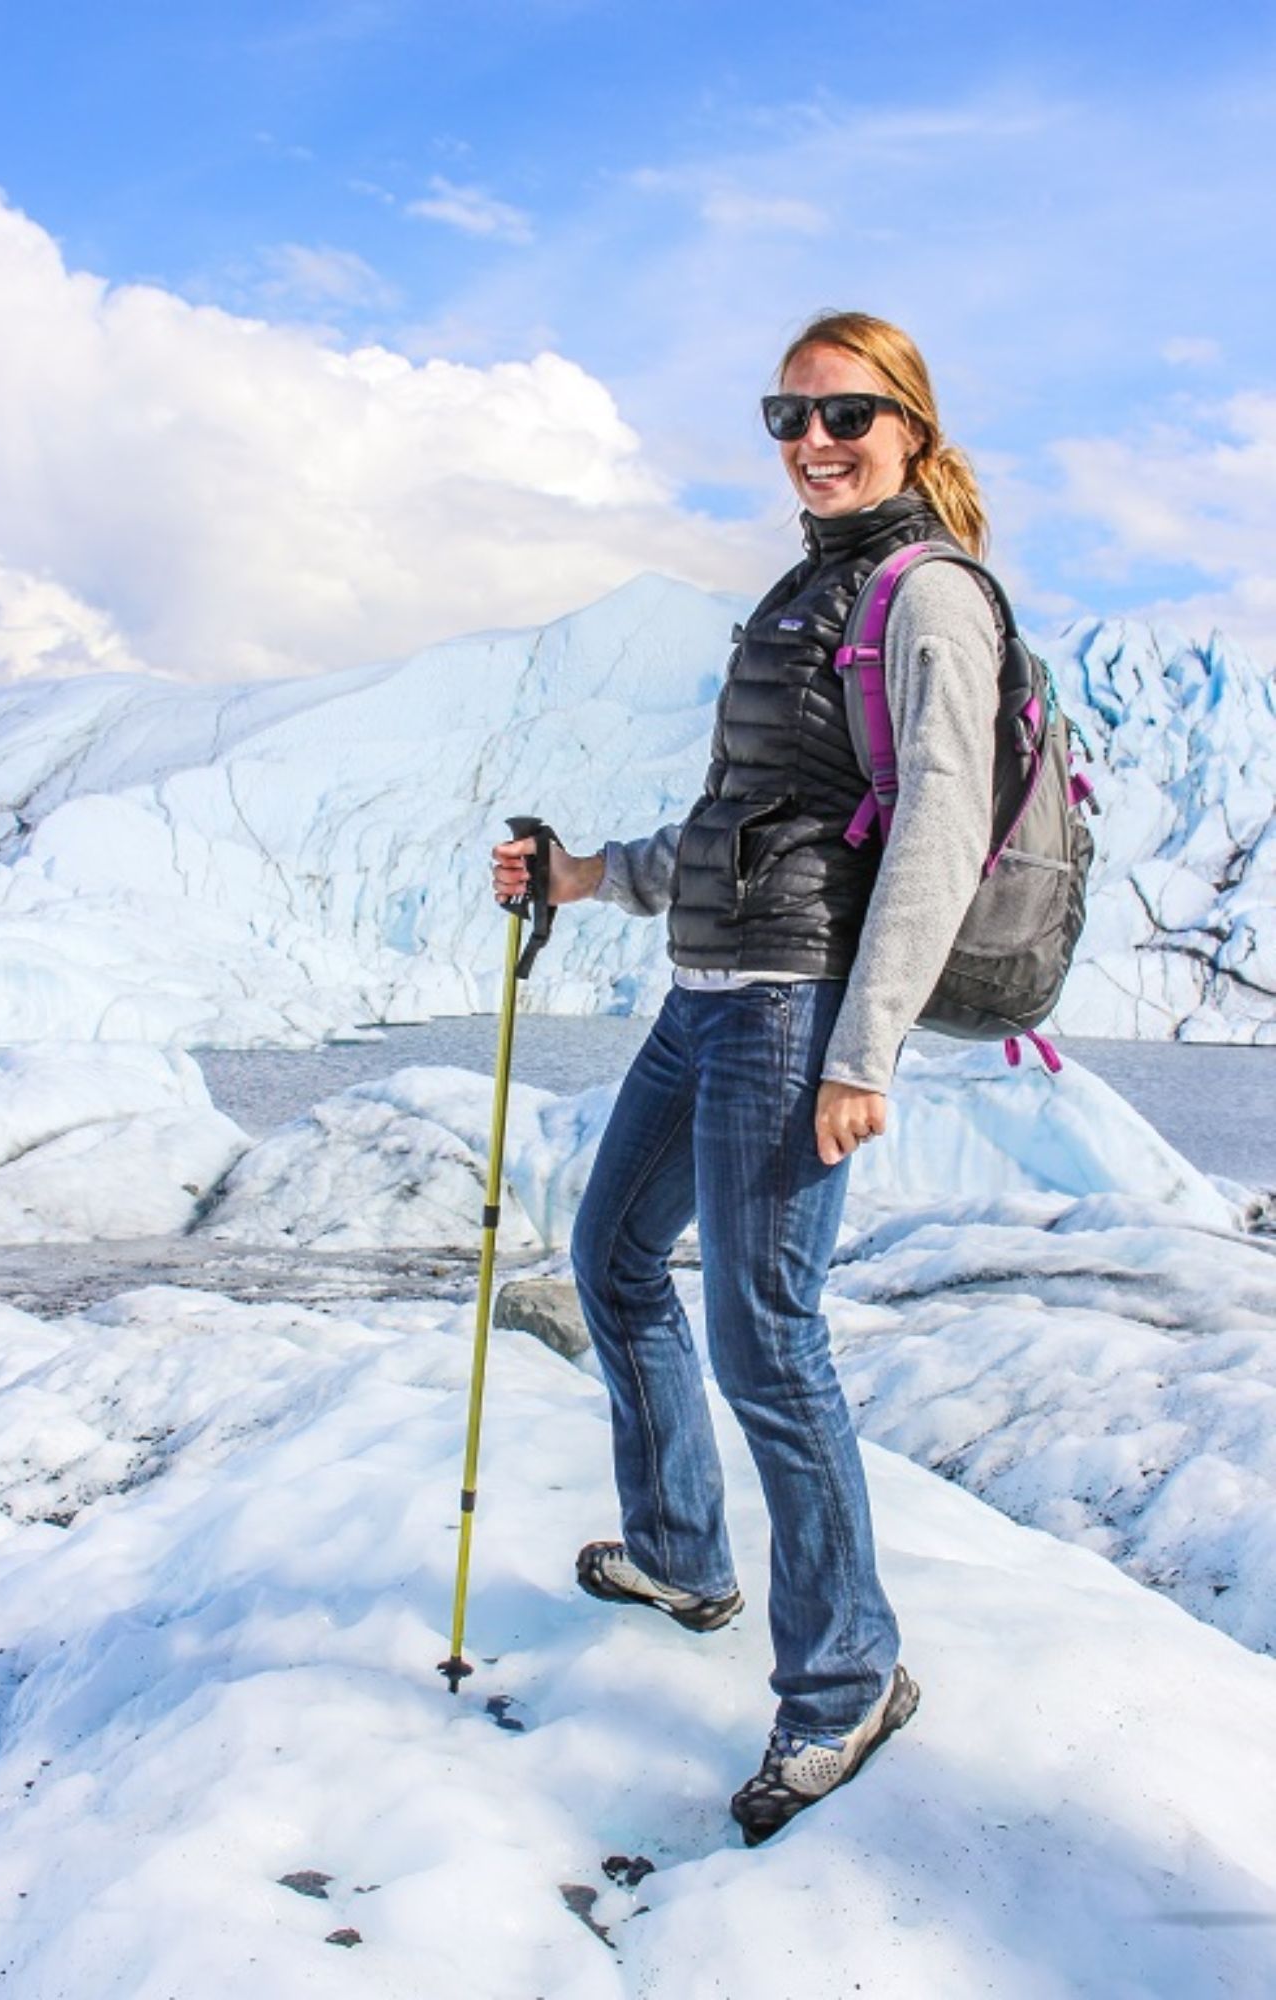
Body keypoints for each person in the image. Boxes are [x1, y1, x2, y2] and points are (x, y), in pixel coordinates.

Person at [490, 310, 1001, 1845]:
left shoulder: (928, 599)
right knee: (613, 1256)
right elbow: (742, 822)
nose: (811, 439)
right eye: (785, 415)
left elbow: (935, 834)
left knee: (767, 1340)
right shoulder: (806, 591)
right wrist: (584, 876)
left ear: (906, 421)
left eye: (843, 411)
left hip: (792, 1014)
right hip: (704, 993)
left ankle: (847, 1679)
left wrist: (863, 1050)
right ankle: (682, 1554)